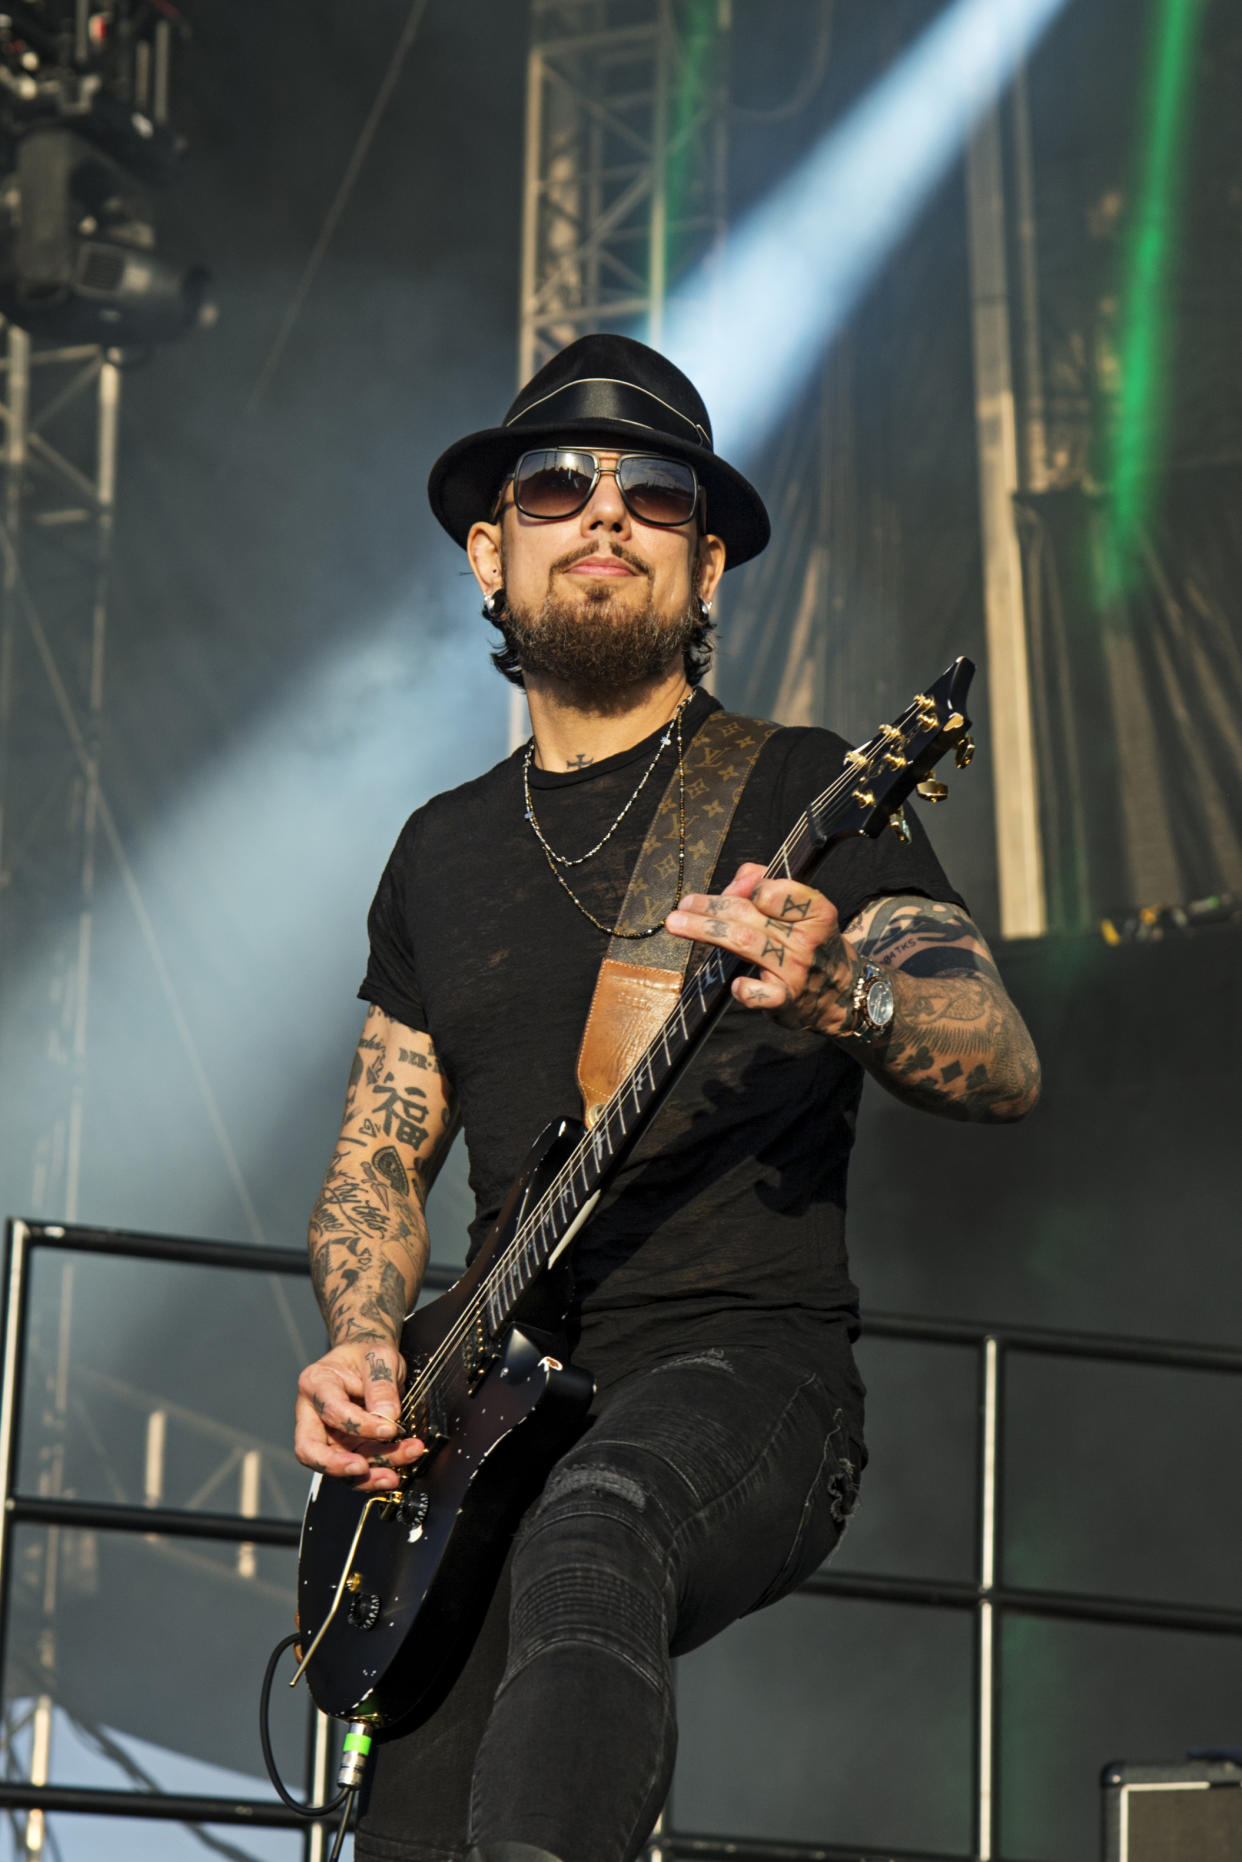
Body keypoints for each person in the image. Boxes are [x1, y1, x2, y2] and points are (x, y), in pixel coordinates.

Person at [293, 334, 1040, 1862]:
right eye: (558, 485)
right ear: (491, 556)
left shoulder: (800, 790)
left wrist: (850, 993)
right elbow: (381, 1151)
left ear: (705, 572)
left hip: (742, 1370)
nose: (605, 513)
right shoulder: (436, 849)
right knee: (420, 1816)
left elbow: (1000, 1052)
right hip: (478, 1418)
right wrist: (367, 1341)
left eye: (655, 494)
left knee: (604, 1516)